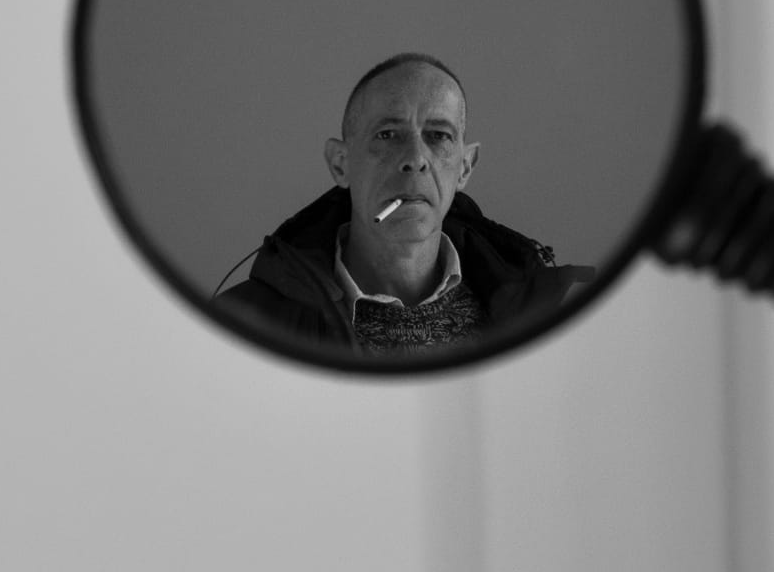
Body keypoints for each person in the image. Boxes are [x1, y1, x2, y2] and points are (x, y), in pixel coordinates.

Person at [217, 54, 590, 354]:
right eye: (387, 135)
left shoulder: (561, 320)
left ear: (465, 167)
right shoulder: (239, 327)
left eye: (438, 135)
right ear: (341, 164)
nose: (415, 158)